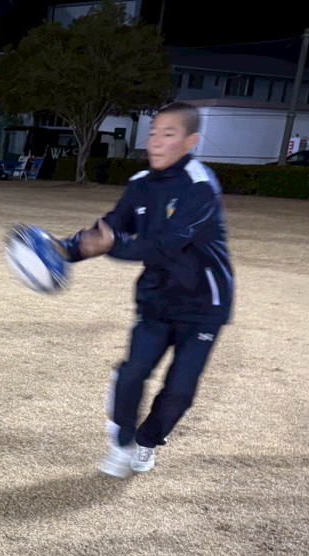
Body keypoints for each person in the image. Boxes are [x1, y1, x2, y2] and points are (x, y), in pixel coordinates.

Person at [59, 101, 234, 479]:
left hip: (203, 304)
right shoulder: (140, 184)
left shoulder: (199, 186)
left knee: (180, 391)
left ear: (190, 142)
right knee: (133, 372)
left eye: (168, 134)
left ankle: (148, 441)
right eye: (153, 132)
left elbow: (165, 244)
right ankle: (120, 442)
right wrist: (63, 250)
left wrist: (112, 245)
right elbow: (109, 228)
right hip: (157, 297)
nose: (155, 141)